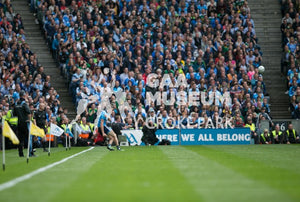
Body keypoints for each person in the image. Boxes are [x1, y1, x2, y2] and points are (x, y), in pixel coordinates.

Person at [14, 90, 31, 157]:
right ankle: (30, 152)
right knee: (29, 137)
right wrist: (29, 120)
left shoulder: (16, 104)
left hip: (19, 123)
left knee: (20, 139)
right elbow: (28, 113)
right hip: (25, 123)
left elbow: (14, 113)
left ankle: (20, 153)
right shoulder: (24, 103)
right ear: (24, 95)